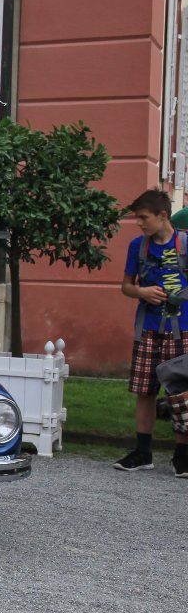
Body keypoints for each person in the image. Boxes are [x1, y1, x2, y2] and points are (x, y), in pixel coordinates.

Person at [116, 189, 188, 475]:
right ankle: (143, 452)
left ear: (162, 215)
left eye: (144, 217)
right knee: (144, 390)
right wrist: (142, 292)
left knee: (180, 393)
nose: (139, 223)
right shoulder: (138, 247)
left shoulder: (185, 244)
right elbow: (126, 286)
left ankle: (182, 456)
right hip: (147, 328)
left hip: (182, 329)